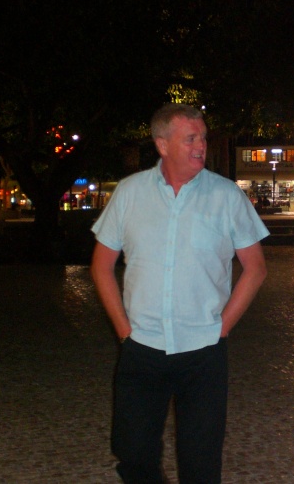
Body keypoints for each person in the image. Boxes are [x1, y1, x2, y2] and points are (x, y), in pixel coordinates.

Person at [90, 103, 269, 483]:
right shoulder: (130, 192)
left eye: (203, 137)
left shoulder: (226, 196)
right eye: (190, 138)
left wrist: (222, 328)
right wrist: (124, 331)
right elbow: (101, 266)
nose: (201, 145)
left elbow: (255, 268)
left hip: (203, 352)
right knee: (133, 455)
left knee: (201, 464)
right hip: (142, 348)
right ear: (162, 144)